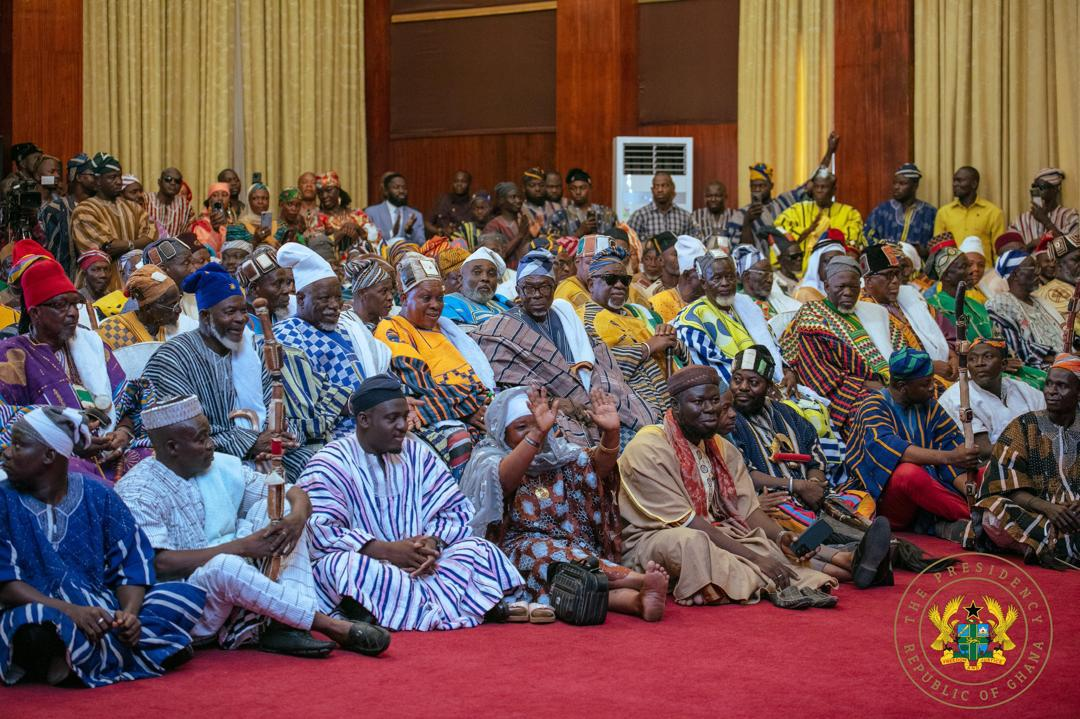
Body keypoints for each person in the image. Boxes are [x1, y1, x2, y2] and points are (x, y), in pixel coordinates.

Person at [115, 395, 389, 657]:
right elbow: (158, 563)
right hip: (188, 605)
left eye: (209, 435)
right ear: (172, 447)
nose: (211, 445)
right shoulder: (139, 490)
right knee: (224, 566)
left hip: (242, 586)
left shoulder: (215, 465)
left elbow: (290, 493)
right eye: (201, 440)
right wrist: (243, 547)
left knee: (279, 509)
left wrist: (297, 519)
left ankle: (283, 626)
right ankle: (327, 625)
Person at [298, 375, 523, 630]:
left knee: (479, 549)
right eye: (392, 418)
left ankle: (388, 612)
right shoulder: (330, 462)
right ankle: (469, 602)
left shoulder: (417, 453)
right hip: (372, 563)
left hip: (424, 563)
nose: (403, 426)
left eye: (405, 416)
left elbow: (454, 511)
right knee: (340, 568)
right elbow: (318, 531)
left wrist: (431, 544)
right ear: (364, 420)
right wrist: (387, 551)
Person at [0, 407, 203, 687]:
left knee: (179, 596)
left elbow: (130, 563)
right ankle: (137, 651)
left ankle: (83, 655)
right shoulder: (3, 500)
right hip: (37, 609)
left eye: (19, 445)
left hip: (100, 609)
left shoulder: (98, 494)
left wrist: (128, 616)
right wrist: (71, 611)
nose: (7, 452)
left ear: (49, 455)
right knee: (35, 626)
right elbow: (6, 584)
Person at [618, 366, 840, 608]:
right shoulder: (649, 447)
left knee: (764, 543)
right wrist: (755, 558)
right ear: (675, 405)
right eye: (699, 402)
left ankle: (774, 582)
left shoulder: (723, 448)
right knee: (692, 543)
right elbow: (688, 522)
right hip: (655, 540)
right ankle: (776, 584)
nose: (711, 409)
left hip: (717, 532)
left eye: (715, 401)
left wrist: (781, 536)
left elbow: (748, 511)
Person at [461, 386, 668, 621]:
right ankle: (636, 580)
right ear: (502, 432)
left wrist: (611, 434)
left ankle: (637, 602)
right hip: (518, 552)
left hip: (575, 549)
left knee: (576, 581)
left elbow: (596, 469)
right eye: (521, 427)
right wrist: (536, 434)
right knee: (550, 563)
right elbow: (503, 482)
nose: (534, 428)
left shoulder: (559, 454)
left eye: (537, 423)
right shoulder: (488, 459)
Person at [142, 263, 315, 481]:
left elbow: (276, 407)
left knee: (316, 468)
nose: (241, 318)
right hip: (207, 460)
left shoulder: (253, 350)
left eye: (243, 310)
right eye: (230, 312)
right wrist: (250, 442)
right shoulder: (172, 359)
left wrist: (282, 436)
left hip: (267, 450)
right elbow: (181, 435)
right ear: (205, 317)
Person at [473, 249, 655, 447]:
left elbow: (599, 358)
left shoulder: (566, 317)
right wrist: (557, 402)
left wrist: (595, 394)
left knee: (639, 434)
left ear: (555, 288)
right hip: (548, 408)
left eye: (545, 287)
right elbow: (509, 387)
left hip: (593, 400)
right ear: (518, 291)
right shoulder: (499, 330)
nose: (537, 295)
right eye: (529, 288)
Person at [0, 247, 145, 483]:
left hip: (111, 450)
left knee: (154, 458)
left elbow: (129, 398)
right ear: (35, 313)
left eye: (74, 305)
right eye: (60, 306)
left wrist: (124, 432)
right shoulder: (12, 355)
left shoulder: (91, 343)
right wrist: (66, 435)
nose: (72, 314)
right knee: (78, 477)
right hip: (55, 455)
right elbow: (5, 420)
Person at [375, 252, 495, 476]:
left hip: (468, 408)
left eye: (439, 298)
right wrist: (469, 408)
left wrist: (478, 402)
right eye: (425, 298)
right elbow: (421, 390)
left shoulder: (445, 328)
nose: (435, 305)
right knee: (463, 441)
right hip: (440, 418)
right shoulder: (393, 330)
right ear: (403, 299)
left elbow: (478, 386)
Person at [728, 346, 876, 529]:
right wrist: (797, 486)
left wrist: (813, 486)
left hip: (809, 495)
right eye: (737, 380)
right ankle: (851, 539)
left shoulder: (787, 413)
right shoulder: (728, 422)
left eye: (753, 382)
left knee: (862, 499)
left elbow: (815, 455)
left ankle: (844, 539)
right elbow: (744, 472)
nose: (743, 387)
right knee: (783, 514)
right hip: (776, 500)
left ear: (769, 387)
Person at [844, 349, 976, 538]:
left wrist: (973, 492)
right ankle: (978, 520)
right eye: (926, 383)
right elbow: (894, 450)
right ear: (901, 386)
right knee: (908, 473)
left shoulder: (928, 405)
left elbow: (951, 451)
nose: (933, 387)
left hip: (931, 492)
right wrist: (951, 457)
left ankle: (979, 514)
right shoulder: (872, 406)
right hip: (884, 504)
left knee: (982, 472)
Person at [970, 354, 1080, 565]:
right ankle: (1046, 542)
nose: (1051, 392)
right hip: (1038, 511)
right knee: (992, 516)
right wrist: (1049, 508)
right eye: (1048, 384)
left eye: (1061, 386)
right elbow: (1004, 486)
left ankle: (1037, 544)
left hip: (1074, 513)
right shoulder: (1023, 426)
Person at [273, 243, 390, 440]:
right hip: (336, 433)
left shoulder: (347, 327)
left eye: (337, 297)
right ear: (300, 299)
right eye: (325, 298)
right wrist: (361, 403)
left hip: (376, 419)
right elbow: (307, 396)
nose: (335, 306)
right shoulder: (288, 334)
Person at [780, 256, 891, 436]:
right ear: (827, 287)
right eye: (841, 287)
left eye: (853, 287)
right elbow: (816, 370)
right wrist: (866, 384)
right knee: (875, 411)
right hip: (844, 394)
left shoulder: (871, 311)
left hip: (884, 382)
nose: (848, 292)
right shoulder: (812, 314)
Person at [578, 247, 686, 419]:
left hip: (674, 399)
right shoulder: (585, 319)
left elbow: (670, 349)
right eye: (611, 279)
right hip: (635, 412)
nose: (619, 285)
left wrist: (672, 340)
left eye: (625, 280)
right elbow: (601, 367)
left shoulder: (637, 314)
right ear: (591, 285)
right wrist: (648, 346)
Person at [674, 250, 793, 389]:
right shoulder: (691, 319)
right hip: (739, 394)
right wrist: (762, 387)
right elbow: (717, 370)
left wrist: (787, 371)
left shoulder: (748, 307)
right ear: (703, 283)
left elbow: (772, 347)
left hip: (771, 385)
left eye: (729, 277)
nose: (725, 283)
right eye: (717, 278)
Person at [858, 243, 954, 381]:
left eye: (897, 274)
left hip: (944, 372)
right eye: (888, 275)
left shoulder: (910, 295)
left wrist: (952, 356)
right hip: (909, 385)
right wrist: (929, 367)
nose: (896, 281)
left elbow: (946, 333)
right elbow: (879, 363)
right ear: (868, 281)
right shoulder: (863, 310)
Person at [730, 132, 840, 252]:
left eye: (762, 185)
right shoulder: (739, 215)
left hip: (785, 265)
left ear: (771, 186)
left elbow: (812, 183)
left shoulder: (783, 202)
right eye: (754, 186)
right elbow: (742, 251)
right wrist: (747, 222)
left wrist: (829, 152)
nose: (757, 189)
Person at [938, 338, 1045, 452]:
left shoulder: (1024, 390)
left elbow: (1050, 426)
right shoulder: (957, 397)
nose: (979, 363)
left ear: (1003, 364)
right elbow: (982, 450)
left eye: (987, 357)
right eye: (972, 359)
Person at [985, 250, 1063, 371]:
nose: (1038, 272)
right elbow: (1015, 346)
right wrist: (1061, 358)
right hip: (1036, 369)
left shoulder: (1038, 301)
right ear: (1015, 274)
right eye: (1033, 268)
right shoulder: (999, 304)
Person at [70, 153, 157, 259]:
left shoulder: (133, 207)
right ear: (98, 180)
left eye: (119, 176)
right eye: (112, 177)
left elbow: (151, 237)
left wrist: (128, 245)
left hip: (134, 273)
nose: (119, 182)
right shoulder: (84, 210)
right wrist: (137, 244)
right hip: (101, 274)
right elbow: (107, 248)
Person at [775, 169, 864, 270]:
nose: (819, 190)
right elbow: (778, 233)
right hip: (798, 274)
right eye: (816, 186)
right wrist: (808, 231)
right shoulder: (796, 210)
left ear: (834, 190)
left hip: (834, 272)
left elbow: (852, 248)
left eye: (824, 187)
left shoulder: (850, 214)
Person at [97, 264, 194, 348]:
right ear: (147, 308)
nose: (179, 310)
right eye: (172, 305)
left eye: (178, 301)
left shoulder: (168, 326)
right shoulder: (110, 331)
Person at [932, 166, 1006, 263]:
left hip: (984, 273)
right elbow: (939, 249)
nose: (954, 184)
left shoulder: (993, 212)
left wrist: (998, 275)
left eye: (959, 181)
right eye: (954, 181)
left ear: (974, 184)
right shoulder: (943, 212)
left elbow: (999, 250)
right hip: (954, 273)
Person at [38, 153, 94, 277]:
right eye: (91, 174)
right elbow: (50, 251)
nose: (96, 178)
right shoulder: (56, 208)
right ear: (78, 177)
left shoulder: (100, 206)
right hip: (65, 279)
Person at [863, 163, 937, 256]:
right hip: (886, 266)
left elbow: (936, 248)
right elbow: (867, 238)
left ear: (915, 186)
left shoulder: (930, 213)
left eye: (902, 183)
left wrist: (922, 251)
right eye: (894, 183)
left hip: (919, 267)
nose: (896, 187)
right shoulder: (881, 211)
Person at [441, 247, 513, 329]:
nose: (485, 278)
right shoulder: (447, 303)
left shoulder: (503, 305)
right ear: (461, 279)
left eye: (491, 273)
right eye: (477, 272)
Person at [1008, 168, 1079, 247]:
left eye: (1042, 187)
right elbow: (1009, 252)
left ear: (1057, 189)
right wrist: (1031, 245)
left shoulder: (1069, 216)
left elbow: (1071, 249)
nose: (1036, 190)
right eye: (1034, 186)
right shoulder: (1021, 220)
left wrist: (1045, 221)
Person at [732, 244, 800, 325]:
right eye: (763, 273)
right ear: (746, 276)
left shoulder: (781, 301)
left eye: (771, 273)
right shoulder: (737, 307)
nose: (769, 280)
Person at [1031, 233, 1080, 346]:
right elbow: (1074, 329)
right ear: (1056, 263)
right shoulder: (1052, 292)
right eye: (1076, 260)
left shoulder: (1072, 286)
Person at [315, 171, 380, 255]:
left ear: (338, 190)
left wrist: (357, 228)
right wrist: (341, 233)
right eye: (320, 193)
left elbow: (377, 240)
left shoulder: (357, 214)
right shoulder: (317, 218)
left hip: (362, 261)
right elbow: (317, 246)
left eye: (329, 190)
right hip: (333, 264)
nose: (324, 196)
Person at [649, 234, 706, 323]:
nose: (707, 279)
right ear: (688, 275)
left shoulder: (710, 299)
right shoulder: (657, 302)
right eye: (702, 274)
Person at [545, 168, 617, 238]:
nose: (578, 192)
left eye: (582, 188)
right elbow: (553, 245)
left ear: (590, 188)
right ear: (569, 190)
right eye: (573, 188)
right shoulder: (559, 217)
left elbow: (619, 241)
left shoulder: (608, 214)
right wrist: (578, 233)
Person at [483, 182, 541, 268]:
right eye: (513, 197)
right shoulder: (493, 226)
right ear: (501, 200)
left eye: (520, 197)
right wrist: (520, 236)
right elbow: (494, 256)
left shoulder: (523, 221)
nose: (518, 201)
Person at [364, 172, 424, 251]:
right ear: (386, 191)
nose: (401, 191)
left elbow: (421, 244)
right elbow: (368, 242)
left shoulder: (416, 215)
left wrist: (409, 232)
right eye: (396, 187)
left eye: (404, 187)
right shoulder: (371, 212)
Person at [144, 236, 198, 320]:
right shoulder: (148, 308)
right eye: (186, 263)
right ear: (163, 270)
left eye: (192, 262)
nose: (194, 270)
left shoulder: (195, 296)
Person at [627, 172, 692, 237]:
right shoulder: (639, 216)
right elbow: (628, 243)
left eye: (663, 185)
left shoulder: (685, 217)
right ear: (652, 190)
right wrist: (647, 244)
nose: (660, 190)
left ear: (672, 188)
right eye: (656, 186)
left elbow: (695, 243)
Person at [344, 257, 395, 330]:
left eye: (391, 291)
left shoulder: (390, 322)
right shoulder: (346, 325)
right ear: (362, 293)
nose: (390, 297)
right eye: (384, 291)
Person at [74, 249, 125, 318]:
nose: (103, 275)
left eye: (106, 269)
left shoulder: (114, 299)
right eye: (96, 269)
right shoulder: (76, 301)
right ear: (84, 274)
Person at [147, 167, 194, 237]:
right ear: (159, 182)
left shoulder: (186, 206)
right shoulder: (146, 199)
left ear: (181, 185)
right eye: (168, 179)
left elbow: (188, 234)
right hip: (146, 246)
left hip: (175, 247)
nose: (173, 183)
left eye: (177, 181)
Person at [427, 170, 472, 236]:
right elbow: (427, 223)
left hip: (463, 243)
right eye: (456, 181)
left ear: (469, 183)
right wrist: (440, 230)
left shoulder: (472, 204)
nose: (459, 184)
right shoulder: (443, 200)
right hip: (441, 240)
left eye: (463, 181)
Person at [191, 182, 231, 254]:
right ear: (209, 201)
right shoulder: (201, 226)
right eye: (215, 195)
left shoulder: (233, 222)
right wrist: (215, 231)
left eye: (224, 195)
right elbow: (205, 252)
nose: (220, 198)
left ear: (229, 201)